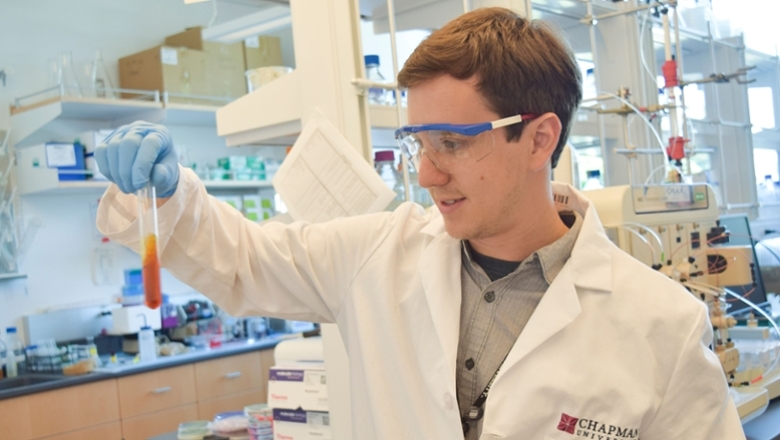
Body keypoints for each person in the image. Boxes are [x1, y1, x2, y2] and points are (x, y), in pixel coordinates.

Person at [95, 7, 744, 440]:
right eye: (419, 144)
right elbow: (242, 261)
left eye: (452, 144)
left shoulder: (660, 325)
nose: (428, 174)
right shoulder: (376, 254)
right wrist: (169, 191)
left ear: (540, 137)